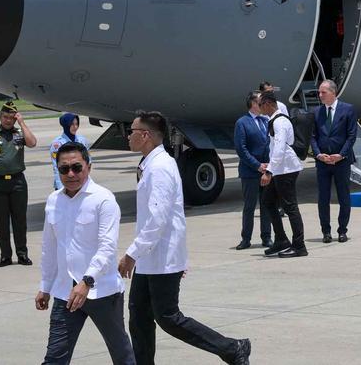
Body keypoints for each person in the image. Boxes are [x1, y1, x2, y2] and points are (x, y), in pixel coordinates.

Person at [118, 111, 251, 365]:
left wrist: (131, 254)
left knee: (168, 317)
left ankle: (232, 348)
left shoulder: (159, 169)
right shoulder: (151, 164)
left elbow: (158, 219)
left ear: (145, 136)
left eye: (132, 131)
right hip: (151, 259)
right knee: (139, 316)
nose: (128, 136)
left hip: (161, 258)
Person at [36, 141, 136, 365]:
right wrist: (45, 286)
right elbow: (49, 248)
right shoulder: (54, 201)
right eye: (64, 169)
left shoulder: (103, 199)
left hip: (102, 292)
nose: (71, 174)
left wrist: (86, 281)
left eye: (76, 167)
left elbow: (107, 247)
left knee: (122, 355)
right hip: (65, 292)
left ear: (88, 167)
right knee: (55, 357)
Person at [0, 101, 39, 267]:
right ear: (0, 117)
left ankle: (22, 254)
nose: (8, 120)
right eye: (5, 117)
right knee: (1, 222)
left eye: (11, 117)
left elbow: (32, 143)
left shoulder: (19, 134)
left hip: (18, 182)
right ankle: (5, 256)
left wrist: (22, 123)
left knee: (20, 221)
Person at [258, 91, 307, 257]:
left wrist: (269, 171)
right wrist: (270, 165)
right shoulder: (274, 120)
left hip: (286, 170)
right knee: (267, 202)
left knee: (290, 206)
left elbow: (280, 149)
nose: (259, 108)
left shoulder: (279, 122)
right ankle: (281, 240)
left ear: (268, 104)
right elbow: (275, 149)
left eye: (260, 105)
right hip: (279, 168)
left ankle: (299, 246)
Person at [310, 79, 358, 243]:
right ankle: (326, 232)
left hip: (341, 161)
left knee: (343, 196)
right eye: (319, 92)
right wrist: (318, 154)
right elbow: (313, 137)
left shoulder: (348, 109)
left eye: (323, 92)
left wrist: (341, 155)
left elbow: (351, 136)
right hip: (323, 162)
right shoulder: (316, 112)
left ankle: (342, 230)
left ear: (333, 92)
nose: (320, 95)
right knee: (323, 198)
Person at [232, 91, 272, 250]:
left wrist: (268, 166)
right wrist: (257, 165)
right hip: (250, 172)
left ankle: (267, 237)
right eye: (261, 102)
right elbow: (241, 149)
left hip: (266, 170)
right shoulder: (242, 123)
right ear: (253, 104)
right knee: (249, 206)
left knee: (266, 205)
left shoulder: (266, 121)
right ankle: (246, 238)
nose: (263, 105)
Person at [49, 113, 90, 191]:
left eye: (77, 124)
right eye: (72, 124)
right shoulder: (57, 144)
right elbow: (56, 167)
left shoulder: (82, 140)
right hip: (65, 182)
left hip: (81, 182)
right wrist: (61, 188)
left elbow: (88, 162)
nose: (75, 127)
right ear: (66, 125)